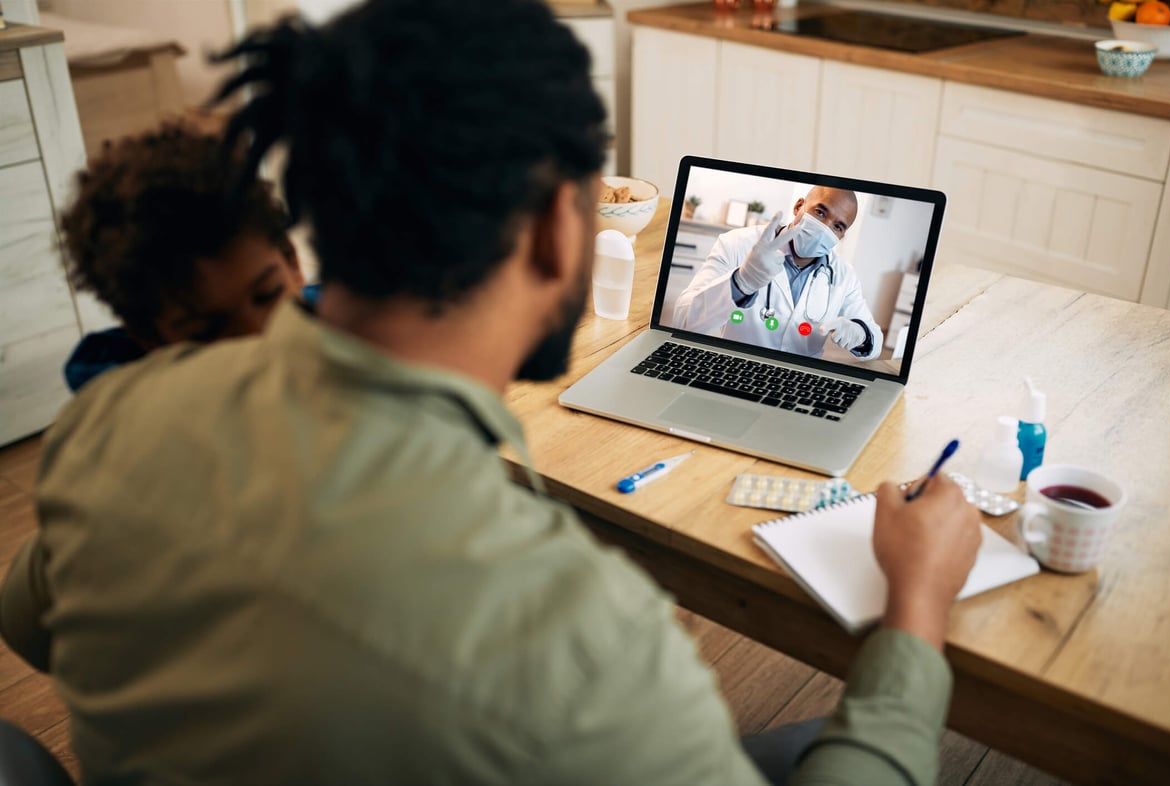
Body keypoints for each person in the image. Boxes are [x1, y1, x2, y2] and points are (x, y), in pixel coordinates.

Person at [0, 1, 981, 783]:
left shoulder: (109, 420)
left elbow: (32, 618)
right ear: (564, 224)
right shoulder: (578, 642)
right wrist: (916, 607)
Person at [57, 120, 312, 392]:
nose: (259, 340)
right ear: (150, 338)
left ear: (293, 263)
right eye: (208, 330)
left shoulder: (346, 321)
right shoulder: (136, 423)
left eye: (268, 295)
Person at [673, 186, 883, 360]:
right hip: (735, 364)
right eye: (820, 212)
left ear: (842, 235)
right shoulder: (736, 244)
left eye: (837, 226)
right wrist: (742, 282)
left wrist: (861, 334)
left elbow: (875, 340)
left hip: (802, 381)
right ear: (799, 206)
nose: (825, 228)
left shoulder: (844, 275)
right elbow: (683, 320)